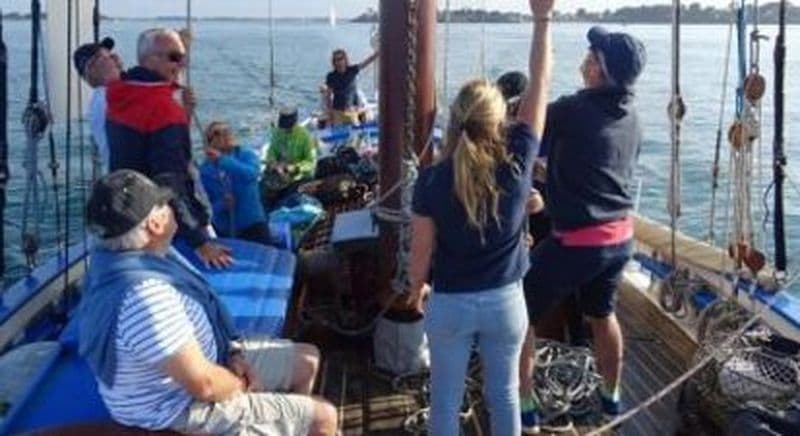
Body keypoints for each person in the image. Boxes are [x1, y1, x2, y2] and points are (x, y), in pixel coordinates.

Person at [79, 169, 338, 435]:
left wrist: (234, 354)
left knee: (308, 358)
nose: (171, 207)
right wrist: (240, 386)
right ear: (155, 224)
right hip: (178, 409)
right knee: (323, 417)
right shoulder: (144, 295)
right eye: (164, 203)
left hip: (212, 361)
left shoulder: (127, 262)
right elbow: (204, 384)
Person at [407, 1, 554, 435]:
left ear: (455, 120)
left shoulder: (430, 181)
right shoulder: (517, 165)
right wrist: (542, 20)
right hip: (505, 304)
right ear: (500, 120)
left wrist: (415, 290)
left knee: (445, 401)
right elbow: (540, 83)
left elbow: (420, 255)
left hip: (450, 304)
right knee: (504, 395)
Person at [519, 26, 646, 432]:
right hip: (620, 239)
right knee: (602, 315)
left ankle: (525, 408)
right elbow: (597, 168)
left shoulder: (572, 110)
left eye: (591, 56)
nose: (585, 60)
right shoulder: (633, 116)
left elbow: (522, 134)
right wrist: (554, 174)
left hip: (576, 244)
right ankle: (611, 399)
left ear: (598, 70)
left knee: (518, 314)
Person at [106, 27, 232, 268]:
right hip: (158, 226)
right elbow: (170, 181)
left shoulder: (119, 95)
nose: (182, 64)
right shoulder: (164, 109)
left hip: (128, 218)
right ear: (151, 60)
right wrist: (200, 242)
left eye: (183, 58)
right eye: (175, 57)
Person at [200, 121, 271, 245]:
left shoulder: (246, 155)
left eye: (227, 130)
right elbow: (205, 207)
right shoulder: (205, 171)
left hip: (252, 222)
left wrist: (223, 160)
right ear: (210, 142)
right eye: (218, 133)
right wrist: (222, 204)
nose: (225, 134)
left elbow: (252, 174)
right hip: (226, 229)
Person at [72, 36, 123, 174]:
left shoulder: (102, 98)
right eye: (108, 57)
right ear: (91, 68)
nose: (116, 59)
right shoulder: (107, 98)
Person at [322, 48, 379, 126]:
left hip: (351, 111)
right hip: (337, 111)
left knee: (355, 129)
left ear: (345, 59)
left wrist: (378, 53)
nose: (338, 62)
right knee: (336, 131)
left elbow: (366, 62)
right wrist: (329, 113)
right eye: (336, 60)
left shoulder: (352, 70)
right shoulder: (331, 76)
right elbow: (328, 96)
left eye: (340, 59)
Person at [266, 106, 317, 183]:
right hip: (280, 172)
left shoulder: (305, 137)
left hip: (299, 176)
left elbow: (311, 162)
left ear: (295, 124)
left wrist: (296, 168)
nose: (285, 130)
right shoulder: (277, 133)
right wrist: (272, 162)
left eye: (289, 128)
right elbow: (272, 151)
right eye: (284, 127)